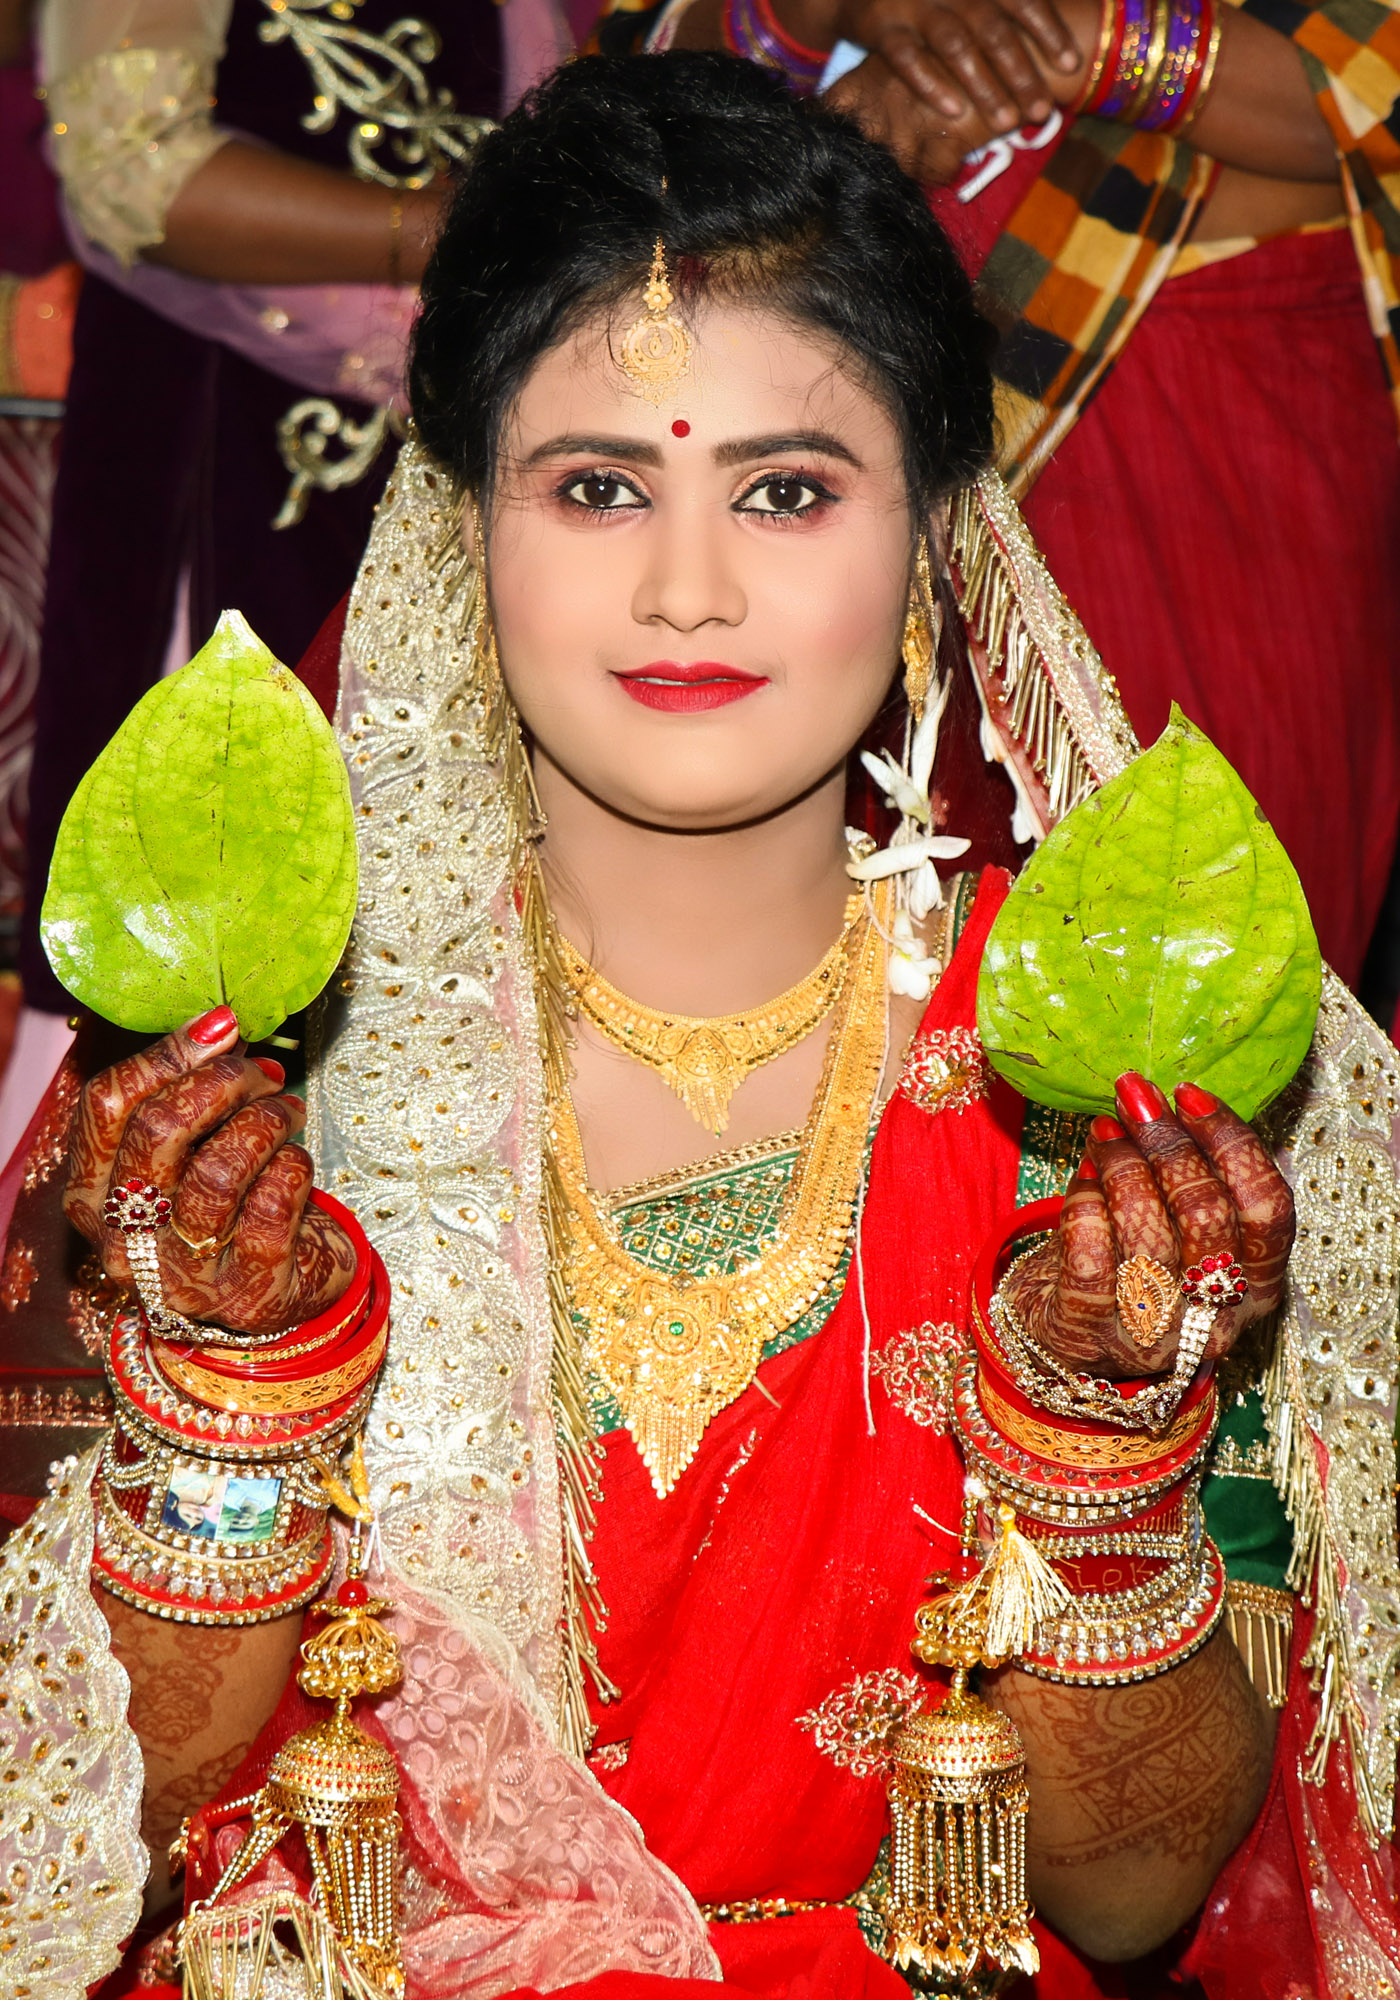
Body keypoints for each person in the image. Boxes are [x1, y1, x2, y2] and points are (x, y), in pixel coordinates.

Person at [1, 52, 1396, 2000]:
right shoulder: (237, 1077)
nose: (685, 586)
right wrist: (234, 1390)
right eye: (596, 487)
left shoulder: (1100, 1088)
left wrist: (1094, 1444)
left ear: (932, 537)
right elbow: (83, 1838)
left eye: (786, 489)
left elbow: (1129, 1895)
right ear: (463, 528)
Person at [594, 0, 1400, 1005]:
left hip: (1209, 449)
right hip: (816, 472)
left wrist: (1055, 45)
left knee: (1196, 982)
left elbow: (1366, 91)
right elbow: (619, 118)